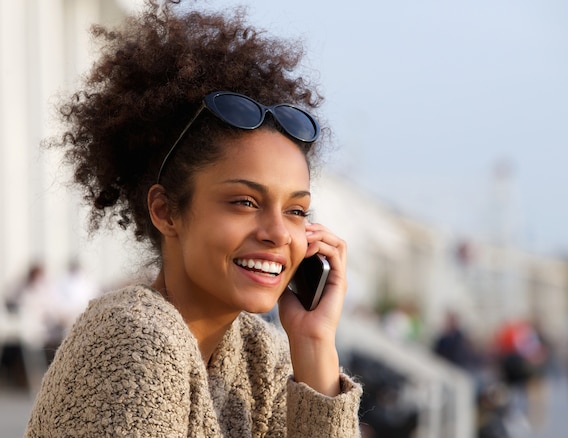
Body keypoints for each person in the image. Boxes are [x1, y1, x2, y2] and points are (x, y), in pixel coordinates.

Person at [25, 1, 362, 436]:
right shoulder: (136, 339)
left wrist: (315, 343)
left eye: (296, 211)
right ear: (166, 212)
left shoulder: (258, 353)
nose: (279, 232)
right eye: (243, 202)